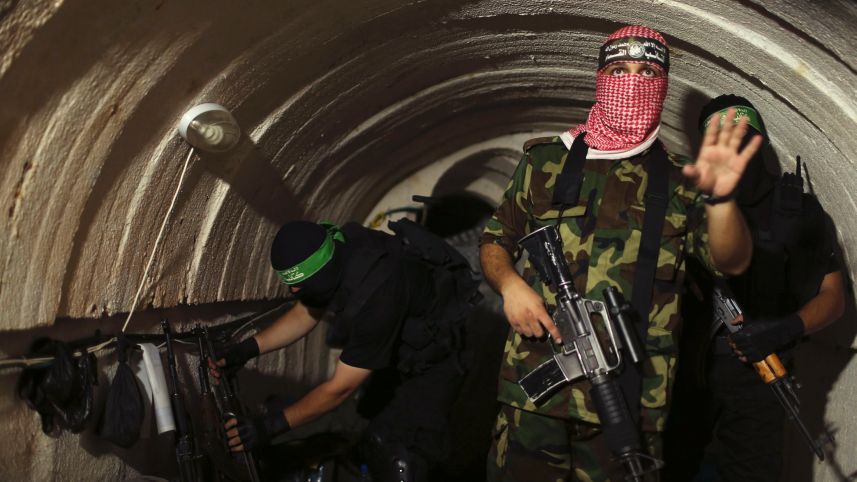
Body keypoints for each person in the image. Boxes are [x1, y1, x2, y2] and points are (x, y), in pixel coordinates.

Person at [479, 25, 760, 481]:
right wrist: (510, 286)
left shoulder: (679, 184)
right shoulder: (546, 161)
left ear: (663, 86)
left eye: (648, 71)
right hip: (535, 391)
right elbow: (495, 239)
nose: (633, 81)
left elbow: (732, 261)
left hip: (631, 398)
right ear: (600, 77)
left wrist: (722, 200)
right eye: (619, 69)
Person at [210, 218, 481, 482]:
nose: (292, 290)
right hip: (400, 348)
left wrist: (269, 427)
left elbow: (339, 389)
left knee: (402, 455)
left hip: (436, 363)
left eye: (299, 283)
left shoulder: (376, 295)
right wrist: (245, 350)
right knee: (369, 428)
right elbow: (307, 310)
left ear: (321, 272)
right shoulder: (338, 246)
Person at [663, 95, 846, 481]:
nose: (734, 150)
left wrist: (786, 328)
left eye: (744, 138)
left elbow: (834, 298)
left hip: (760, 379)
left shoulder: (795, 210)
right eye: (722, 139)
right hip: (681, 376)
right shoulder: (682, 199)